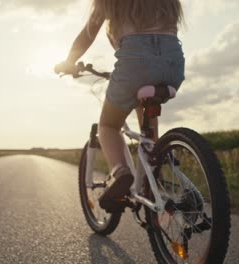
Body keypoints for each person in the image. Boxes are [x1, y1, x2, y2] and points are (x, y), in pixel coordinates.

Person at [55, 0, 185, 208]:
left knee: (108, 126)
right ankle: (153, 172)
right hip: (173, 65)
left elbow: (88, 34)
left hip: (133, 66)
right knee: (149, 134)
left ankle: (121, 173)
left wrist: (69, 61)